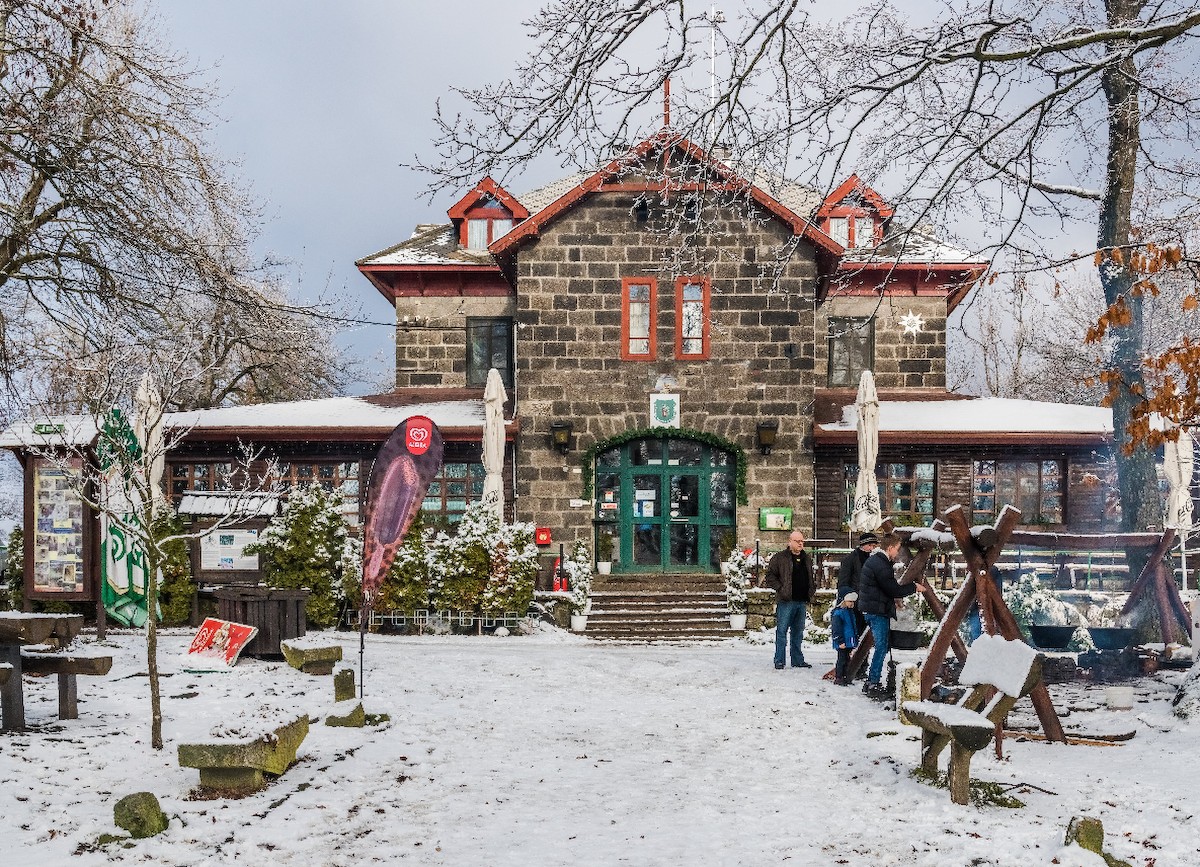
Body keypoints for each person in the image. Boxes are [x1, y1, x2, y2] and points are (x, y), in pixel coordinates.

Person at [858, 533, 927, 698]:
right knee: (881, 647)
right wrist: (913, 587)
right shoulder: (880, 563)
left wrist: (894, 600)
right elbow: (892, 588)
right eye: (896, 549)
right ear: (889, 548)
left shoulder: (877, 561)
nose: (897, 553)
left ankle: (872, 681)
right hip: (876, 611)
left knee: (882, 646)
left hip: (873, 607)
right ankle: (872, 682)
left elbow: (884, 587)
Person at [764, 530, 816, 669]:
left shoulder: (807, 558)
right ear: (790, 542)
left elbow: (811, 577)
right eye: (797, 541)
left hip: (802, 600)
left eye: (802, 541)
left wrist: (811, 590)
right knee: (782, 631)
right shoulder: (780, 558)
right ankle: (779, 660)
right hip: (786, 601)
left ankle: (797, 660)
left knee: (798, 633)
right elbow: (770, 577)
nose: (800, 544)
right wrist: (781, 589)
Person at [837, 531, 877, 640]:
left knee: (865, 637)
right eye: (870, 545)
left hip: (869, 603)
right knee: (852, 634)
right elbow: (843, 582)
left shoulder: (874, 560)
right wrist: (849, 596)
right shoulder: (850, 559)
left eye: (874, 546)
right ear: (863, 545)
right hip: (854, 602)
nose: (872, 548)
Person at [830, 592, 859, 686]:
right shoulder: (839, 613)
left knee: (847, 659)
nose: (852, 604)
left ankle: (845, 677)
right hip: (843, 641)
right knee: (841, 659)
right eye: (850, 601)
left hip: (848, 641)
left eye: (853, 602)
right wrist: (840, 641)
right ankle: (839, 677)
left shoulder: (849, 612)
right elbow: (837, 629)